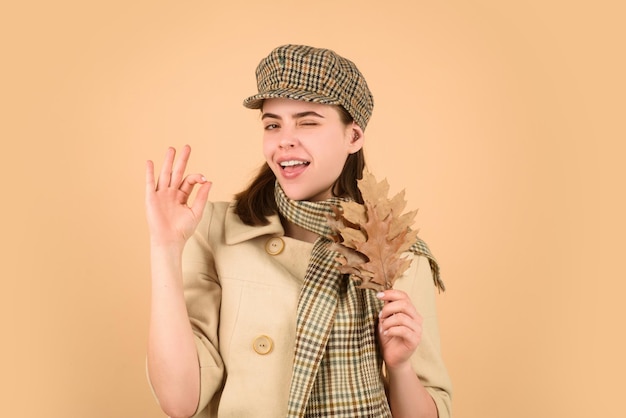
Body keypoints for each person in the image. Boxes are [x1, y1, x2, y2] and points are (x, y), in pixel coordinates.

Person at [145, 44, 452, 418]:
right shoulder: (217, 231)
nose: (284, 140)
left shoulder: (397, 252)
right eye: (273, 124)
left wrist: (401, 367)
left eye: (308, 122)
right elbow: (180, 401)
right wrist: (164, 247)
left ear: (353, 136)